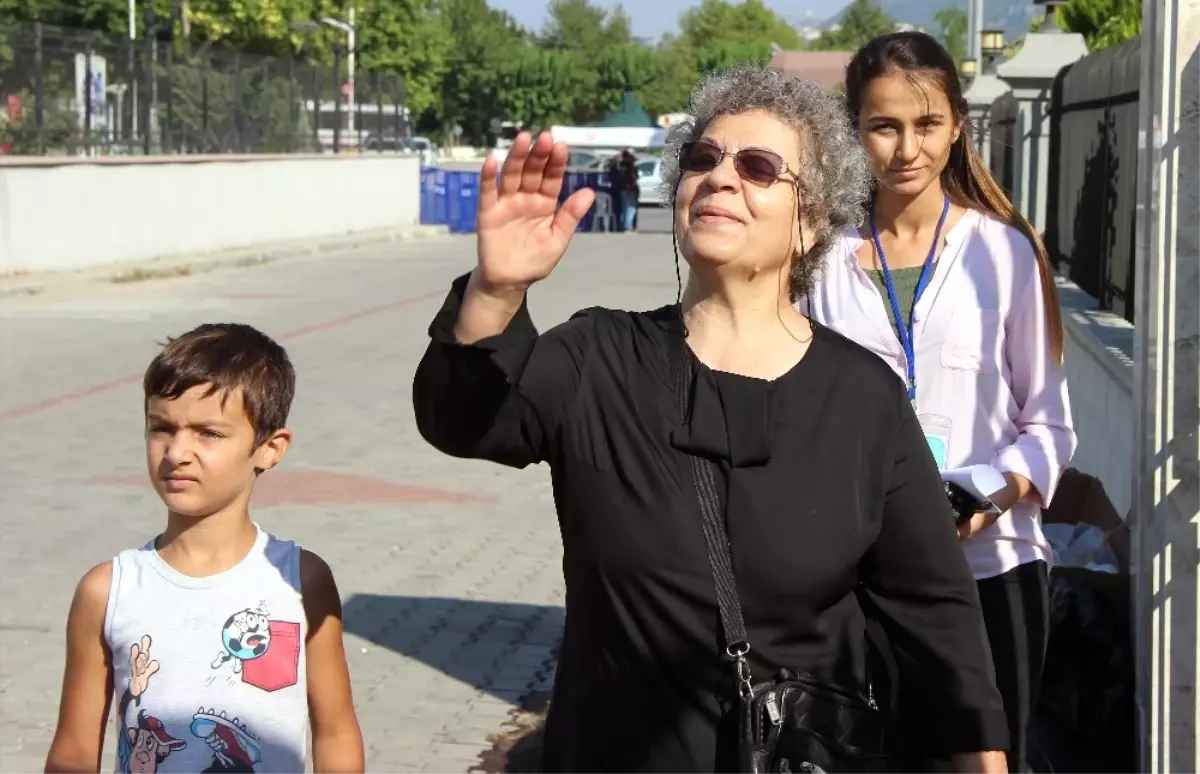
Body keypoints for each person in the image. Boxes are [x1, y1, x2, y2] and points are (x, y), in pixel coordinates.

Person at [413, 64, 1009, 774]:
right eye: (705, 159)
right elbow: (462, 420)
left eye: (758, 167)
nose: (722, 177)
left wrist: (983, 760)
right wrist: (495, 290)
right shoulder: (598, 356)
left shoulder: (861, 396)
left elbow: (933, 611)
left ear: (810, 223)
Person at [800, 32, 1077, 774]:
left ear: (958, 124)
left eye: (925, 125)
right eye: (884, 126)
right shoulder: (823, 265)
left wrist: (988, 493)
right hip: (863, 579)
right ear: (855, 130)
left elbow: (1049, 425)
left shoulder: (1004, 254)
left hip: (994, 569)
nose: (906, 149)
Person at [44, 323, 364, 774]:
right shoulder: (107, 590)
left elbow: (336, 733)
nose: (177, 452)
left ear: (270, 448)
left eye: (208, 433)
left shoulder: (301, 581)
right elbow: (73, 750)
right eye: (162, 428)